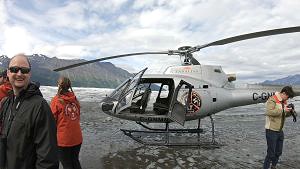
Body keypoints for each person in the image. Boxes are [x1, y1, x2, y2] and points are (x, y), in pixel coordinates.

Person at [0, 53, 59, 169]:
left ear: (30, 74)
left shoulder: (40, 106)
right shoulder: (6, 103)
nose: (19, 74)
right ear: (8, 73)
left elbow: (48, 161)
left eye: (24, 70)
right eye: (14, 69)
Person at [50, 76, 83, 169]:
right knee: (75, 161)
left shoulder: (56, 100)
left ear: (59, 86)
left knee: (67, 164)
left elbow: (52, 121)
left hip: (63, 140)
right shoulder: (75, 99)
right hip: (77, 137)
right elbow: (77, 115)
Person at [263, 86, 296, 169]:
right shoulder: (272, 99)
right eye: (287, 97)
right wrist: (283, 110)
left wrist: (291, 111)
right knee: (270, 153)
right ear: (284, 93)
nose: (287, 99)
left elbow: (284, 114)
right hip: (271, 130)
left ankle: (273, 167)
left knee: (278, 152)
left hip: (280, 131)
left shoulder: (284, 101)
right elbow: (269, 112)